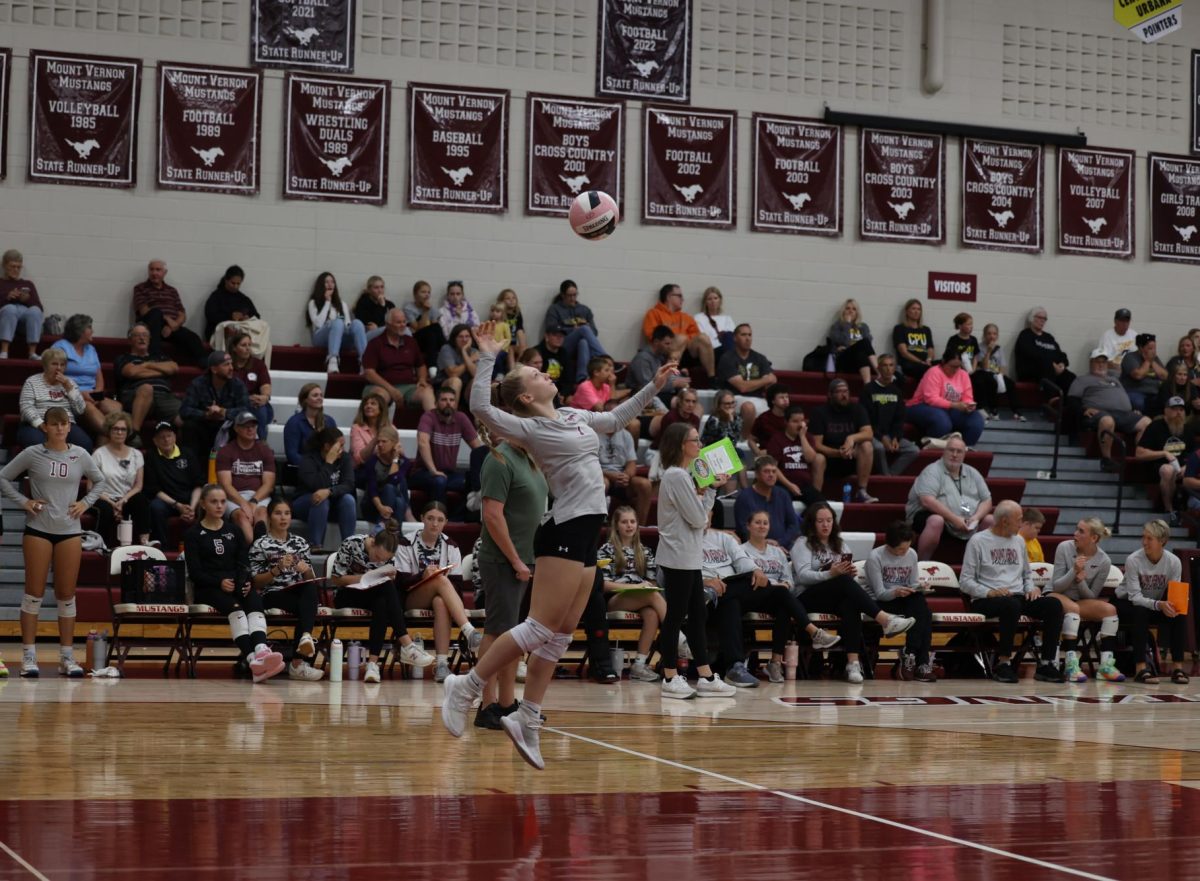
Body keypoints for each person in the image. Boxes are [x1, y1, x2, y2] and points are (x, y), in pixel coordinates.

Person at [441, 320, 675, 769]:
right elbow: (480, 405)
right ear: (526, 397)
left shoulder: (573, 414)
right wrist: (489, 354)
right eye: (534, 375)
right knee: (538, 628)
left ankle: (527, 717)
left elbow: (613, 419)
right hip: (563, 530)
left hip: (589, 530)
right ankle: (467, 685)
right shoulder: (528, 430)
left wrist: (652, 386)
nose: (544, 374)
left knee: (562, 633)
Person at [0, 407, 106, 678]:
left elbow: (100, 481)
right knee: (33, 593)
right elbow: (3, 477)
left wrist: (85, 503)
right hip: (38, 529)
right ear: (45, 427)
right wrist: (24, 502)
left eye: (64, 424)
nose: (60, 428)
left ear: (69, 427)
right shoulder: (33, 453)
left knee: (66, 595)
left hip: (70, 531)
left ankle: (67, 657)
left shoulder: (80, 455)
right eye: (54, 424)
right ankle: (28, 656)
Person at [653, 422, 738, 699]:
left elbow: (700, 520)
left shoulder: (683, 476)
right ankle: (669, 677)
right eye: (695, 440)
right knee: (675, 618)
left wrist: (711, 488)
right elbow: (700, 519)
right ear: (681, 444)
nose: (700, 445)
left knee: (697, 617)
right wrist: (709, 492)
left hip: (689, 556)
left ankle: (705, 676)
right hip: (677, 556)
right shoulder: (677, 476)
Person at [790, 503, 915, 683]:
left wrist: (849, 573)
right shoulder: (802, 543)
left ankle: (852, 663)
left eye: (829, 520)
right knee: (843, 582)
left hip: (833, 594)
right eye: (820, 521)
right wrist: (831, 574)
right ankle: (886, 620)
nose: (825, 525)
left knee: (851, 602)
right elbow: (802, 576)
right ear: (812, 523)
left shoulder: (840, 544)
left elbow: (847, 580)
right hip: (805, 597)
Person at [473, 432, 548, 728]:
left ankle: (506, 703)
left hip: (525, 560)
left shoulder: (528, 458)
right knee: (497, 632)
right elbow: (492, 515)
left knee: (515, 636)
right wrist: (515, 559)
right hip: (503, 561)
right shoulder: (498, 459)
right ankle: (486, 703)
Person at [183, 483, 285, 683]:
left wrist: (244, 582)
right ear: (203, 504)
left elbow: (243, 562)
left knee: (255, 601)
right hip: (209, 588)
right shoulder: (193, 534)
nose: (220, 506)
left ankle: (261, 650)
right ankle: (253, 661)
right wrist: (218, 582)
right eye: (214, 502)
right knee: (236, 609)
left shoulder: (234, 531)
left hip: (235, 584)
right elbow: (195, 572)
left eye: (223, 502)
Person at [958, 500, 1065, 684]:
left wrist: (1031, 588)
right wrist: (988, 592)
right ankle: (1004, 663)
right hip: (987, 599)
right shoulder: (978, 541)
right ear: (1005, 521)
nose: (1021, 523)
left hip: (1016, 596)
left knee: (1054, 605)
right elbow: (965, 581)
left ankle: (1046, 664)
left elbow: (1026, 574)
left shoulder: (1018, 541)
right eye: (1019, 519)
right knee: (1011, 605)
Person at [733, 509, 841, 686]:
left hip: (775, 596)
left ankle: (775, 663)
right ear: (748, 526)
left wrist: (786, 585)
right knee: (782, 594)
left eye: (765, 523)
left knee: (784, 603)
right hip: (751, 596)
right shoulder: (741, 550)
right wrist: (779, 586)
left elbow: (789, 580)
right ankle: (814, 632)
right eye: (757, 522)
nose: (762, 526)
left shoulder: (778, 552)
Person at [330, 529, 435, 683]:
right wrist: (363, 578)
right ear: (372, 543)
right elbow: (336, 578)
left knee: (382, 601)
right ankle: (407, 644)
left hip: (372, 594)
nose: (379, 562)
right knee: (385, 591)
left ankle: (372, 664)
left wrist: (388, 576)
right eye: (377, 557)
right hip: (347, 594)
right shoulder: (351, 543)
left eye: (383, 560)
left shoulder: (388, 557)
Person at [397, 501, 475, 682]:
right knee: (440, 579)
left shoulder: (452, 545)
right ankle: (468, 630)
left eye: (440, 520)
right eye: (430, 518)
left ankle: (441, 665)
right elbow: (401, 582)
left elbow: (457, 586)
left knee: (441, 600)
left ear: (445, 522)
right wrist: (422, 577)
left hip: (441, 597)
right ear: (422, 518)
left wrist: (438, 581)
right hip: (411, 597)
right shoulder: (406, 542)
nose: (434, 524)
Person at [248, 498, 325, 681]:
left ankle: (305, 638)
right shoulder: (261, 544)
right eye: (278, 513)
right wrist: (277, 569)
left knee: (309, 589)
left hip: (297, 592)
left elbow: (311, 579)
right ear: (269, 517)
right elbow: (256, 583)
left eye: (287, 513)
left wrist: (306, 571)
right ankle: (298, 663)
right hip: (271, 593)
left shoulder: (300, 543)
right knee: (306, 607)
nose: (283, 518)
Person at [1049, 518, 1125, 684]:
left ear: (1094, 538)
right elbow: (1056, 586)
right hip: (1054, 596)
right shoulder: (1064, 547)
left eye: (1081, 531)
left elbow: (1091, 596)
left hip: (1079, 601)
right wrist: (1074, 571)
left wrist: (1080, 581)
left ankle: (1105, 666)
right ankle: (1070, 665)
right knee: (1072, 608)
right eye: (1076, 529)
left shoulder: (1104, 561)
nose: (1075, 534)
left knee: (1110, 610)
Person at [595, 507, 666, 684]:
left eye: (632, 521)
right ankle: (678, 636)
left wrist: (645, 587)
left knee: (651, 613)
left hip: (642, 597)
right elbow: (602, 584)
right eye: (624, 522)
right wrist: (634, 588)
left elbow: (652, 582)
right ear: (616, 526)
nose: (629, 525)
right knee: (652, 597)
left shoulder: (645, 551)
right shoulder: (606, 550)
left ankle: (639, 665)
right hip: (615, 599)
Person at [1114, 519, 1189, 684]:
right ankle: (1141, 669)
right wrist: (1159, 605)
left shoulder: (1173, 562)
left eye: (1149, 539)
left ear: (1162, 541)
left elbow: (1173, 593)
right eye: (1144, 537)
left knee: (1179, 613)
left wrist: (1172, 605)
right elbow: (1134, 597)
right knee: (1140, 612)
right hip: (1125, 602)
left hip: (1153, 604)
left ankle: (1178, 668)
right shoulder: (1134, 560)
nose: (1144, 542)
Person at [864, 521, 935, 682]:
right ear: (889, 545)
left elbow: (912, 583)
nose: (905, 552)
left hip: (904, 598)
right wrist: (896, 592)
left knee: (920, 603)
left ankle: (910, 655)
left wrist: (920, 586)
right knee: (925, 613)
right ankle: (919, 661)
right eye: (900, 549)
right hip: (880, 602)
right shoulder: (875, 557)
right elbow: (880, 593)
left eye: (907, 547)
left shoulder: (912, 554)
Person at [906, 434, 994, 560]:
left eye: (959, 451)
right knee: (936, 521)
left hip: (967, 521)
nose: (954, 454)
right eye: (951, 450)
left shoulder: (973, 473)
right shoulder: (932, 471)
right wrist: (954, 519)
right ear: (944, 451)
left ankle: (977, 565)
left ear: (964, 454)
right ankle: (922, 564)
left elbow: (987, 500)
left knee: (990, 520)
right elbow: (927, 501)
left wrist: (975, 518)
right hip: (931, 518)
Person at [1067, 349, 1151, 471]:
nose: (1101, 365)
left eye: (1104, 362)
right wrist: (1083, 410)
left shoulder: (1114, 379)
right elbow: (1072, 400)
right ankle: (1106, 459)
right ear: (1091, 363)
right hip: (1100, 413)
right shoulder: (1082, 379)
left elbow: (1122, 396)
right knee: (1107, 420)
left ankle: (1140, 458)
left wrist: (1133, 409)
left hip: (1124, 413)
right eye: (1098, 362)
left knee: (1147, 422)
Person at [809, 378, 876, 502]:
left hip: (852, 458)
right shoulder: (819, 413)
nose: (844, 395)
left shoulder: (857, 409)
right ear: (830, 394)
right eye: (839, 392)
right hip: (829, 460)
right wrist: (838, 453)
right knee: (818, 458)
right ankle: (815, 498)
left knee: (867, 445)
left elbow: (869, 433)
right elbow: (816, 444)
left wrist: (851, 438)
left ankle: (862, 491)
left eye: (846, 391)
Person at [411, 386, 481, 506]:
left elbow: (478, 448)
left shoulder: (461, 418)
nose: (448, 403)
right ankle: (438, 517)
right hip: (423, 472)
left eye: (452, 400)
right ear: (436, 403)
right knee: (439, 481)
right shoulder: (429, 417)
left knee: (471, 483)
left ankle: (457, 519)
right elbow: (423, 442)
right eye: (444, 400)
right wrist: (433, 470)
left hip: (449, 474)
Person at [1134, 397, 1197, 527]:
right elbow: (1139, 453)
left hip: (1182, 469)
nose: (1178, 413)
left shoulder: (1187, 429)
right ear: (1166, 411)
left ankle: (1187, 508)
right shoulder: (1155, 427)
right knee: (1168, 470)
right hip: (1157, 468)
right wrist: (1163, 453)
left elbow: (1194, 454)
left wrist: (1187, 467)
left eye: (1181, 410)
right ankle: (1170, 510)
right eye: (1174, 409)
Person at [131, 259, 207, 365]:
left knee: (192, 337)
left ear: (164, 273)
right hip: (150, 326)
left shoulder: (172, 291)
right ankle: (155, 355)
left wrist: (172, 326)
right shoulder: (140, 288)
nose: (154, 273)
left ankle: (204, 363)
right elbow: (144, 311)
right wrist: (167, 319)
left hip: (171, 328)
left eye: (158, 270)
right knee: (156, 313)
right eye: (151, 269)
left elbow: (182, 314)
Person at [90, 411, 150, 546]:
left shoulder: (136, 454)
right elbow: (90, 488)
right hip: (103, 497)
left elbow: (138, 486)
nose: (119, 432)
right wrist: (112, 503)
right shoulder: (98, 454)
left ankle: (145, 542)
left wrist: (123, 501)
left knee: (141, 500)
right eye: (116, 429)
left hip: (126, 498)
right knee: (105, 510)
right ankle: (101, 545)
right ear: (109, 430)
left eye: (123, 429)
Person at [361, 308, 436, 414]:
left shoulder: (411, 342)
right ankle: (379, 429)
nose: (403, 325)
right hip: (381, 386)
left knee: (427, 392)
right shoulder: (375, 344)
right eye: (398, 322)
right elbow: (369, 373)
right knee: (380, 396)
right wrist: (391, 390)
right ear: (388, 324)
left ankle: (434, 427)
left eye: (404, 322)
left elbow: (421, 366)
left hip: (408, 387)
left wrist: (422, 379)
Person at [215, 411, 276, 543]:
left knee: (261, 514)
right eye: (246, 426)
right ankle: (253, 547)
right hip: (233, 496)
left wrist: (253, 502)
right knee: (242, 517)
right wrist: (243, 504)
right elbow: (225, 485)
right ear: (236, 428)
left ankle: (258, 548)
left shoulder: (265, 450)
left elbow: (268, 484)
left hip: (259, 496)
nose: (250, 429)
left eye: (253, 426)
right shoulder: (225, 451)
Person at [18, 349, 96, 450]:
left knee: (84, 444)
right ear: (45, 365)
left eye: (62, 365)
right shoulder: (32, 382)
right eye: (54, 364)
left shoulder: (69, 383)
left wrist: (69, 389)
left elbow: (80, 410)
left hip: (65, 425)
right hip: (38, 424)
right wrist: (41, 424)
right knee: (39, 446)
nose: (58, 368)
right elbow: (26, 407)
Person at [293, 426, 356, 549]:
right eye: (340, 446)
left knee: (348, 500)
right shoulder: (308, 460)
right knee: (321, 500)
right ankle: (315, 545)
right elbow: (316, 485)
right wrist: (329, 463)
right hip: (306, 503)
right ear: (327, 446)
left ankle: (349, 547)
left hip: (332, 502)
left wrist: (330, 491)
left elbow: (349, 484)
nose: (342, 450)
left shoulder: (345, 458)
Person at [180, 350, 249, 462]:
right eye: (226, 365)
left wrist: (224, 412)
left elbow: (246, 410)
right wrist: (205, 414)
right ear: (214, 369)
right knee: (189, 426)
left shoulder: (238, 385)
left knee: (240, 425)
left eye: (231, 364)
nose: (231, 368)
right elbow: (184, 410)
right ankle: (192, 470)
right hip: (204, 427)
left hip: (227, 427)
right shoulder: (198, 384)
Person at [114, 323, 181, 436]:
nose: (142, 338)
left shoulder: (160, 357)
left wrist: (147, 365)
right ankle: (134, 434)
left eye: (145, 335)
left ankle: (183, 450)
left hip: (163, 396)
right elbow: (132, 372)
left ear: (149, 339)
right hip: (136, 396)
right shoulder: (124, 358)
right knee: (147, 388)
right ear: (130, 340)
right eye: (137, 335)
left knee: (186, 417)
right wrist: (160, 371)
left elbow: (173, 368)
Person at [142, 421, 202, 547]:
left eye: (169, 435)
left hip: (190, 500)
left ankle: (203, 547)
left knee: (209, 505)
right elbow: (154, 489)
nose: (166, 439)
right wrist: (177, 505)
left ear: (174, 437)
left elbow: (198, 484)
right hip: (167, 501)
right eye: (161, 437)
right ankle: (162, 548)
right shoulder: (151, 457)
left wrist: (192, 507)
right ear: (155, 441)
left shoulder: (188, 454)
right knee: (155, 507)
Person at [906, 352, 985, 447]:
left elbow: (967, 397)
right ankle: (927, 448)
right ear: (943, 362)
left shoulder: (963, 374)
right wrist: (954, 405)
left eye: (958, 366)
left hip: (951, 409)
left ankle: (962, 450)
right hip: (922, 405)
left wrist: (968, 405)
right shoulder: (934, 372)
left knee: (976, 420)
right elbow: (931, 399)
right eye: (952, 366)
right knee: (941, 421)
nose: (956, 370)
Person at [52, 315, 120, 422]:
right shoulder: (60, 347)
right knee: (89, 407)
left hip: (92, 395)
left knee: (115, 407)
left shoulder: (91, 349)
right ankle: (111, 435)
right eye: (90, 328)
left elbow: (99, 378)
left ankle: (107, 437)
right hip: (70, 395)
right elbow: (54, 377)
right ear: (80, 330)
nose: (93, 331)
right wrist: (81, 394)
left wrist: (96, 396)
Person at [642, 283, 715, 379]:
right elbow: (652, 336)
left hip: (686, 354)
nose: (683, 299)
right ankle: (670, 375)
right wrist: (678, 339)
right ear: (668, 297)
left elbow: (695, 334)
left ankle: (712, 379)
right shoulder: (654, 313)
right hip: (663, 353)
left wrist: (684, 341)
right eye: (679, 296)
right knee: (682, 337)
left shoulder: (686, 317)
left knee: (703, 338)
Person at [543, 280, 610, 384]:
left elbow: (595, 332)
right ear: (562, 295)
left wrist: (587, 328)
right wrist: (572, 330)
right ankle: (605, 359)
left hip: (582, 348)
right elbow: (551, 329)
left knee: (583, 341)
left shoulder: (584, 310)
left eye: (575, 295)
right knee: (583, 330)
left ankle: (581, 378)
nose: (573, 298)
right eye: (569, 295)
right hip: (563, 343)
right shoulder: (555, 309)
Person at [863, 354, 920, 476]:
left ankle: (891, 475)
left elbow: (899, 419)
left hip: (891, 434)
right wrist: (882, 437)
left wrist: (895, 437)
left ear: (894, 368)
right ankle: (886, 478)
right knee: (879, 448)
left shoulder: (897, 392)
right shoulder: (868, 390)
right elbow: (866, 419)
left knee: (913, 450)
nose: (888, 369)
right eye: (884, 365)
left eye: (891, 365)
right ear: (878, 368)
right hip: (872, 434)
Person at [204, 265, 270, 362]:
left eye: (238, 284)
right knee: (229, 331)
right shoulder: (216, 297)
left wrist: (247, 318)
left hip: (242, 334)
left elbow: (256, 316)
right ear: (226, 280)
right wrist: (229, 317)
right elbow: (210, 315)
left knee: (263, 328)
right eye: (233, 283)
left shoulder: (244, 299)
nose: (235, 286)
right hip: (223, 333)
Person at [716, 323, 777, 427]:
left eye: (749, 335)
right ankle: (745, 440)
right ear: (735, 338)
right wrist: (764, 380)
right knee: (749, 407)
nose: (747, 338)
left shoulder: (760, 358)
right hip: (733, 399)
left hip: (758, 398)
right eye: (743, 335)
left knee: (776, 409)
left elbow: (773, 380)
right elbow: (742, 387)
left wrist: (766, 382)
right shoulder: (727, 358)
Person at [307, 271, 368, 374]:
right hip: (320, 337)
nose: (330, 284)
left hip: (340, 337)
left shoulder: (341, 304)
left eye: (332, 282)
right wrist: (327, 302)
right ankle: (332, 360)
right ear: (321, 285)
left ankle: (365, 362)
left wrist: (343, 325)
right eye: (327, 282)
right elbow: (318, 324)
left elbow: (347, 323)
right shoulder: (314, 302)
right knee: (337, 322)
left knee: (356, 323)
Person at [764, 406, 826, 504]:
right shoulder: (776, 439)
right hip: (784, 485)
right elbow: (773, 467)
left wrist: (802, 437)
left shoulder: (808, 437)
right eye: (795, 421)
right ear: (786, 422)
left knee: (821, 506)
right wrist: (789, 485)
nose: (800, 425)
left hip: (805, 486)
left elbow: (810, 458)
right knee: (781, 502)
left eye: (802, 421)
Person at [734, 456, 801, 546]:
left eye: (774, 471)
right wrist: (764, 545)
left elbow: (793, 525)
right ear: (757, 474)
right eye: (766, 471)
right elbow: (743, 528)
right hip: (753, 549)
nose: (771, 475)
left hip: (781, 547)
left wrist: (780, 543)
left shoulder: (783, 494)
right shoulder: (745, 497)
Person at [598, 424, 653, 525]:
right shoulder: (593, 435)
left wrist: (627, 475)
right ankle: (598, 525)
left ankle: (639, 528)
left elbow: (631, 462)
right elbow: (590, 465)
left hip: (621, 476)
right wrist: (611, 475)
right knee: (603, 482)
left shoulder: (626, 435)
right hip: (601, 474)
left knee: (645, 484)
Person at [1014, 307, 1075, 396]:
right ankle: (1052, 399)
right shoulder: (1025, 335)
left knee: (1070, 377)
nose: (1042, 321)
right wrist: (1052, 364)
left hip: (1051, 370)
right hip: (1031, 372)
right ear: (1032, 318)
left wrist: (1062, 363)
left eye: (1044, 319)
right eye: (1039, 318)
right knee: (1046, 366)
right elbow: (1031, 355)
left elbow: (1061, 354)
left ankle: (1068, 403)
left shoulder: (1049, 337)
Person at [629, 324, 690, 408]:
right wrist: (673, 384)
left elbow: (667, 378)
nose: (670, 347)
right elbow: (646, 386)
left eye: (671, 344)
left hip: (660, 392)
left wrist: (681, 374)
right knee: (682, 403)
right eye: (667, 344)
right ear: (656, 342)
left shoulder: (660, 357)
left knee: (689, 399)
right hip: (642, 396)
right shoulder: (642, 359)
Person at [700, 389, 750, 490]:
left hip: (726, 452)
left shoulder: (737, 418)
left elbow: (735, 440)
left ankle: (744, 489)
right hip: (711, 455)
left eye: (732, 403)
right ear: (719, 405)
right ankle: (736, 490)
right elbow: (724, 440)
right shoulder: (714, 420)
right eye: (727, 403)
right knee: (731, 453)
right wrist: (728, 421)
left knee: (736, 452)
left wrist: (731, 420)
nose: (730, 406)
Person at [363, 425, 412, 525]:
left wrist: (395, 460)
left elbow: (393, 481)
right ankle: (393, 532)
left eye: (384, 441)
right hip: (374, 505)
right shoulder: (372, 461)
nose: (380, 445)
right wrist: (381, 507)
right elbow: (372, 490)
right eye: (378, 442)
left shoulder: (404, 462)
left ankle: (383, 528)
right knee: (396, 499)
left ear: (395, 444)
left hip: (393, 506)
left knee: (397, 500)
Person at [0, 249, 43, 360]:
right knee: (10, 309)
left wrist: (27, 300)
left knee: (35, 311)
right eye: (12, 266)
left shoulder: (28, 284)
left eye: (19, 267)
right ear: (5, 266)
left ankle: (32, 353)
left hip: (24, 318)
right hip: (5, 315)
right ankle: (4, 351)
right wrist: (7, 297)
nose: (16, 270)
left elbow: (39, 307)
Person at [975, 323, 1024, 421]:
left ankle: (1016, 412)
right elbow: (984, 367)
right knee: (991, 382)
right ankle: (993, 410)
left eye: (994, 334)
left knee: (1010, 384)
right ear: (984, 335)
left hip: (996, 374)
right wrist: (988, 351)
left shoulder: (999, 349)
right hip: (984, 374)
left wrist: (1000, 376)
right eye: (989, 334)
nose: (992, 336)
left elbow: (1002, 366)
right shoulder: (979, 347)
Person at [283, 383, 338, 469]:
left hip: (327, 469)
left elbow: (336, 447)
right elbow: (292, 454)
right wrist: (314, 466)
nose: (320, 398)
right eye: (315, 395)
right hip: (304, 470)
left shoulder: (329, 421)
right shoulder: (294, 423)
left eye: (321, 395)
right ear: (305, 400)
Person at [229, 331, 272, 440]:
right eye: (243, 345)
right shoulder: (228, 365)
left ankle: (261, 443)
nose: (248, 348)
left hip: (255, 403)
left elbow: (265, 385)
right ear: (234, 348)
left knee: (260, 407)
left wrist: (264, 397)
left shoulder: (258, 364)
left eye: (249, 345)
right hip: (234, 403)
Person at [827, 298, 878, 384]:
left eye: (854, 309)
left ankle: (868, 385)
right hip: (844, 360)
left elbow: (868, 345)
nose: (851, 311)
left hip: (860, 361)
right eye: (848, 308)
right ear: (843, 311)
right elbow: (844, 342)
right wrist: (847, 324)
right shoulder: (837, 326)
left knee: (862, 351)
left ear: (857, 313)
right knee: (863, 344)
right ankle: (879, 371)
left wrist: (847, 346)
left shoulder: (863, 327)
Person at [1120, 333, 1167, 415]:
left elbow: (1165, 376)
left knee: (1166, 400)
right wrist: (1148, 361)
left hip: (1154, 391)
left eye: (1155, 348)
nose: (1154, 351)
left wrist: (1152, 362)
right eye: (1150, 348)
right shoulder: (1130, 357)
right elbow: (1138, 375)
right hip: (1136, 391)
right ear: (1141, 348)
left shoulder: (1155, 359)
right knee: (1139, 403)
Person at [892, 298, 935, 382]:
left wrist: (929, 359)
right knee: (927, 370)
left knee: (945, 364)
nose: (916, 311)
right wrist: (920, 362)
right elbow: (904, 353)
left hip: (925, 363)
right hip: (909, 364)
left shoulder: (926, 329)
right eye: (913, 309)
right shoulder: (900, 329)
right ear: (907, 311)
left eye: (919, 309)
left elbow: (930, 348)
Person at [405, 279, 444, 367]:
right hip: (416, 338)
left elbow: (435, 328)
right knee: (430, 333)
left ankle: (445, 353)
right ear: (415, 294)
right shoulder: (408, 308)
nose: (427, 295)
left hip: (431, 339)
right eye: (423, 292)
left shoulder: (432, 308)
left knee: (436, 328)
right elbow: (417, 329)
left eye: (428, 292)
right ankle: (432, 366)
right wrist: (425, 312)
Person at [436, 323, 480, 402]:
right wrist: (470, 359)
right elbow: (452, 373)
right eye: (460, 336)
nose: (464, 340)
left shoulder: (474, 351)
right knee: (456, 381)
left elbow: (476, 374)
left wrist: (464, 353)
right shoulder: (446, 349)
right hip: (446, 385)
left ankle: (475, 413)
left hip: (466, 387)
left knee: (477, 381)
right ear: (454, 338)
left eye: (467, 336)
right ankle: (452, 413)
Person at [350, 390, 391, 469]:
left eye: (373, 403)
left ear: (381, 409)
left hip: (385, 466)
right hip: (363, 469)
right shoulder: (356, 428)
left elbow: (397, 451)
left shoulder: (390, 427)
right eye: (366, 404)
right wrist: (376, 439)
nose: (368, 406)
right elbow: (358, 458)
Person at [694, 285, 736, 358]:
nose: (713, 301)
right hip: (709, 351)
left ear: (720, 300)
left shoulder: (727, 319)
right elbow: (701, 338)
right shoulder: (699, 318)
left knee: (730, 335)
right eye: (709, 299)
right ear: (705, 302)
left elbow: (734, 338)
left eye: (715, 298)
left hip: (726, 349)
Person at [750, 384, 791, 455]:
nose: (785, 400)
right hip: (769, 454)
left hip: (789, 454)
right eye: (781, 397)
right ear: (773, 401)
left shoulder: (792, 416)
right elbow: (751, 439)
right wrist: (758, 452)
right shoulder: (764, 418)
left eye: (787, 397)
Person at [353, 275, 395, 344]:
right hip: (367, 335)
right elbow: (369, 324)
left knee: (404, 329)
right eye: (376, 288)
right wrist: (381, 306)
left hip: (386, 333)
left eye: (382, 287)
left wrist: (379, 326)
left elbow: (394, 322)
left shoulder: (390, 304)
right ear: (369, 290)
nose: (380, 290)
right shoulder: (363, 303)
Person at [1099, 308, 1139, 373]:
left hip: (1132, 369)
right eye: (1122, 321)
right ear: (1115, 321)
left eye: (1127, 321)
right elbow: (1104, 361)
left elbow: (1140, 355)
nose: (1125, 323)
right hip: (1114, 370)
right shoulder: (1107, 336)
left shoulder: (1134, 335)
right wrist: (1123, 368)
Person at [496, 288, 527, 359]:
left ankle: (518, 368)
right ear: (501, 301)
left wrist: (523, 346)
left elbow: (520, 330)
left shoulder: (517, 314)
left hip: (513, 344)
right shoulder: (499, 313)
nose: (512, 300)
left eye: (514, 298)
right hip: (501, 344)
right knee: (510, 350)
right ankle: (512, 369)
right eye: (508, 298)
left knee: (524, 350)